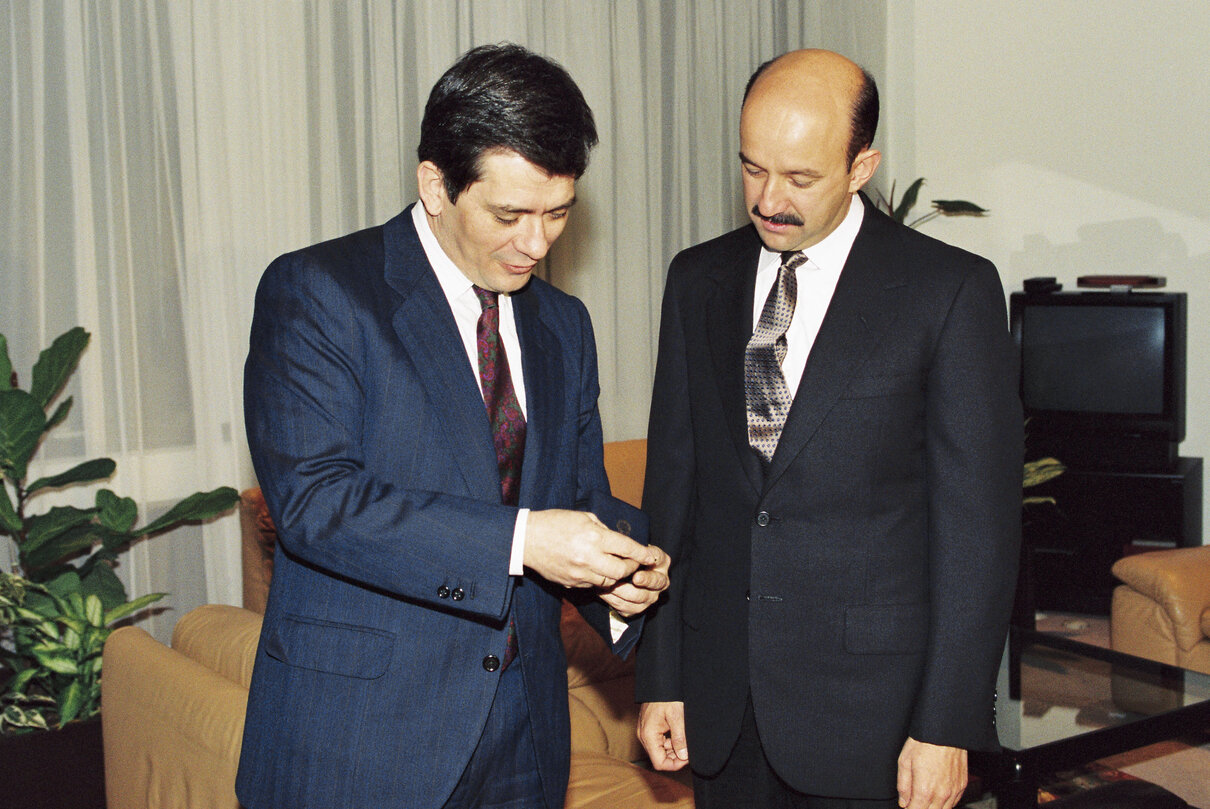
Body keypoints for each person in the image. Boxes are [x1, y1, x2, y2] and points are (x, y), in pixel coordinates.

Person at [236, 43, 669, 809]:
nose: (537, 244)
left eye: (559, 213)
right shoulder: (319, 292)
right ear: (435, 185)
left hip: (525, 737)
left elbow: (575, 492)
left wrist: (623, 574)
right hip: (361, 740)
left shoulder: (563, 323)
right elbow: (316, 503)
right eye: (510, 215)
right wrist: (522, 539)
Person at [634, 49, 1022, 809]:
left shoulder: (949, 292)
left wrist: (946, 725)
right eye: (752, 168)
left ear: (861, 166)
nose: (768, 199)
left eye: (800, 178)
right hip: (721, 705)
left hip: (871, 714)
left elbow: (978, 533)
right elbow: (672, 495)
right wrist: (662, 677)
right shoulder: (696, 280)